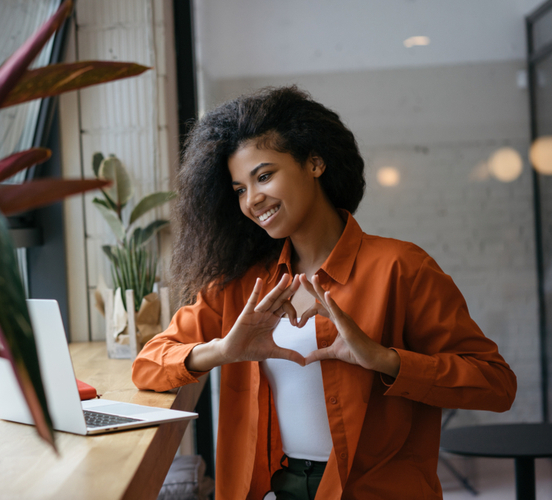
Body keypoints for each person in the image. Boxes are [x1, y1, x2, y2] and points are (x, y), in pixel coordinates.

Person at [131, 86, 517, 500]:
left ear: (315, 163)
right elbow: (149, 364)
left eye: (264, 176)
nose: (253, 199)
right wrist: (224, 351)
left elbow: (495, 384)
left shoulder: (400, 268)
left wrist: (384, 359)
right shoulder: (239, 285)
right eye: (240, 189)